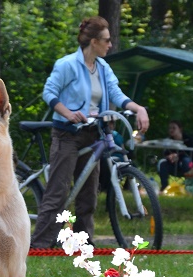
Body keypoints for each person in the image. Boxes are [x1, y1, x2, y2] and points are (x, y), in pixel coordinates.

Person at [30, 16, 149, 248]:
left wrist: (138, 108)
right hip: (67, 133)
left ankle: (84, 245)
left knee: (88, 195)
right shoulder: (67, 65)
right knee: (58, 192)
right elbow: (49, 92)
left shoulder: (103, 68)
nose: (110, 44)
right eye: (106, 40)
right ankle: (40, 245)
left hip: (93, 134)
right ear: (94, 41)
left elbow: (116, 94)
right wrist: (68, 113)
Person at [157, 120, 193, 191]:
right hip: (172, 164)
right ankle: (164, 187)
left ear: (180, 129)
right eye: (170, 128)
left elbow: (191, 154)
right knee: (162, 163)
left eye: (174, 128)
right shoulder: (168, 141)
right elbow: (165, 154)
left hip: (186, 165)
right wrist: (169, 157)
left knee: (186, 161)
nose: (171, 130)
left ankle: (189, 187)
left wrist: (178, 156)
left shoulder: (187, 139)